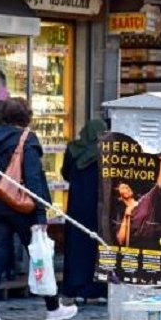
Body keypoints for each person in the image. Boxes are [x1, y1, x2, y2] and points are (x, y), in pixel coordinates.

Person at [0, 97, 78, 320]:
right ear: (26, 117)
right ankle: (53, 309)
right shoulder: (27, 139)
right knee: (39, 255)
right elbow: (34, 178)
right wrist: (41, 214)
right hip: (22, 206)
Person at [60, 119, 109, 302]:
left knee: (76, 247)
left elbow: (65, 173)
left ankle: (77, 288)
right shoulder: (105, 150)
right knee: (97, 247)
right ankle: (97, 289)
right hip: (99, 207)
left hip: (76, 206)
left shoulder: (73, 149)